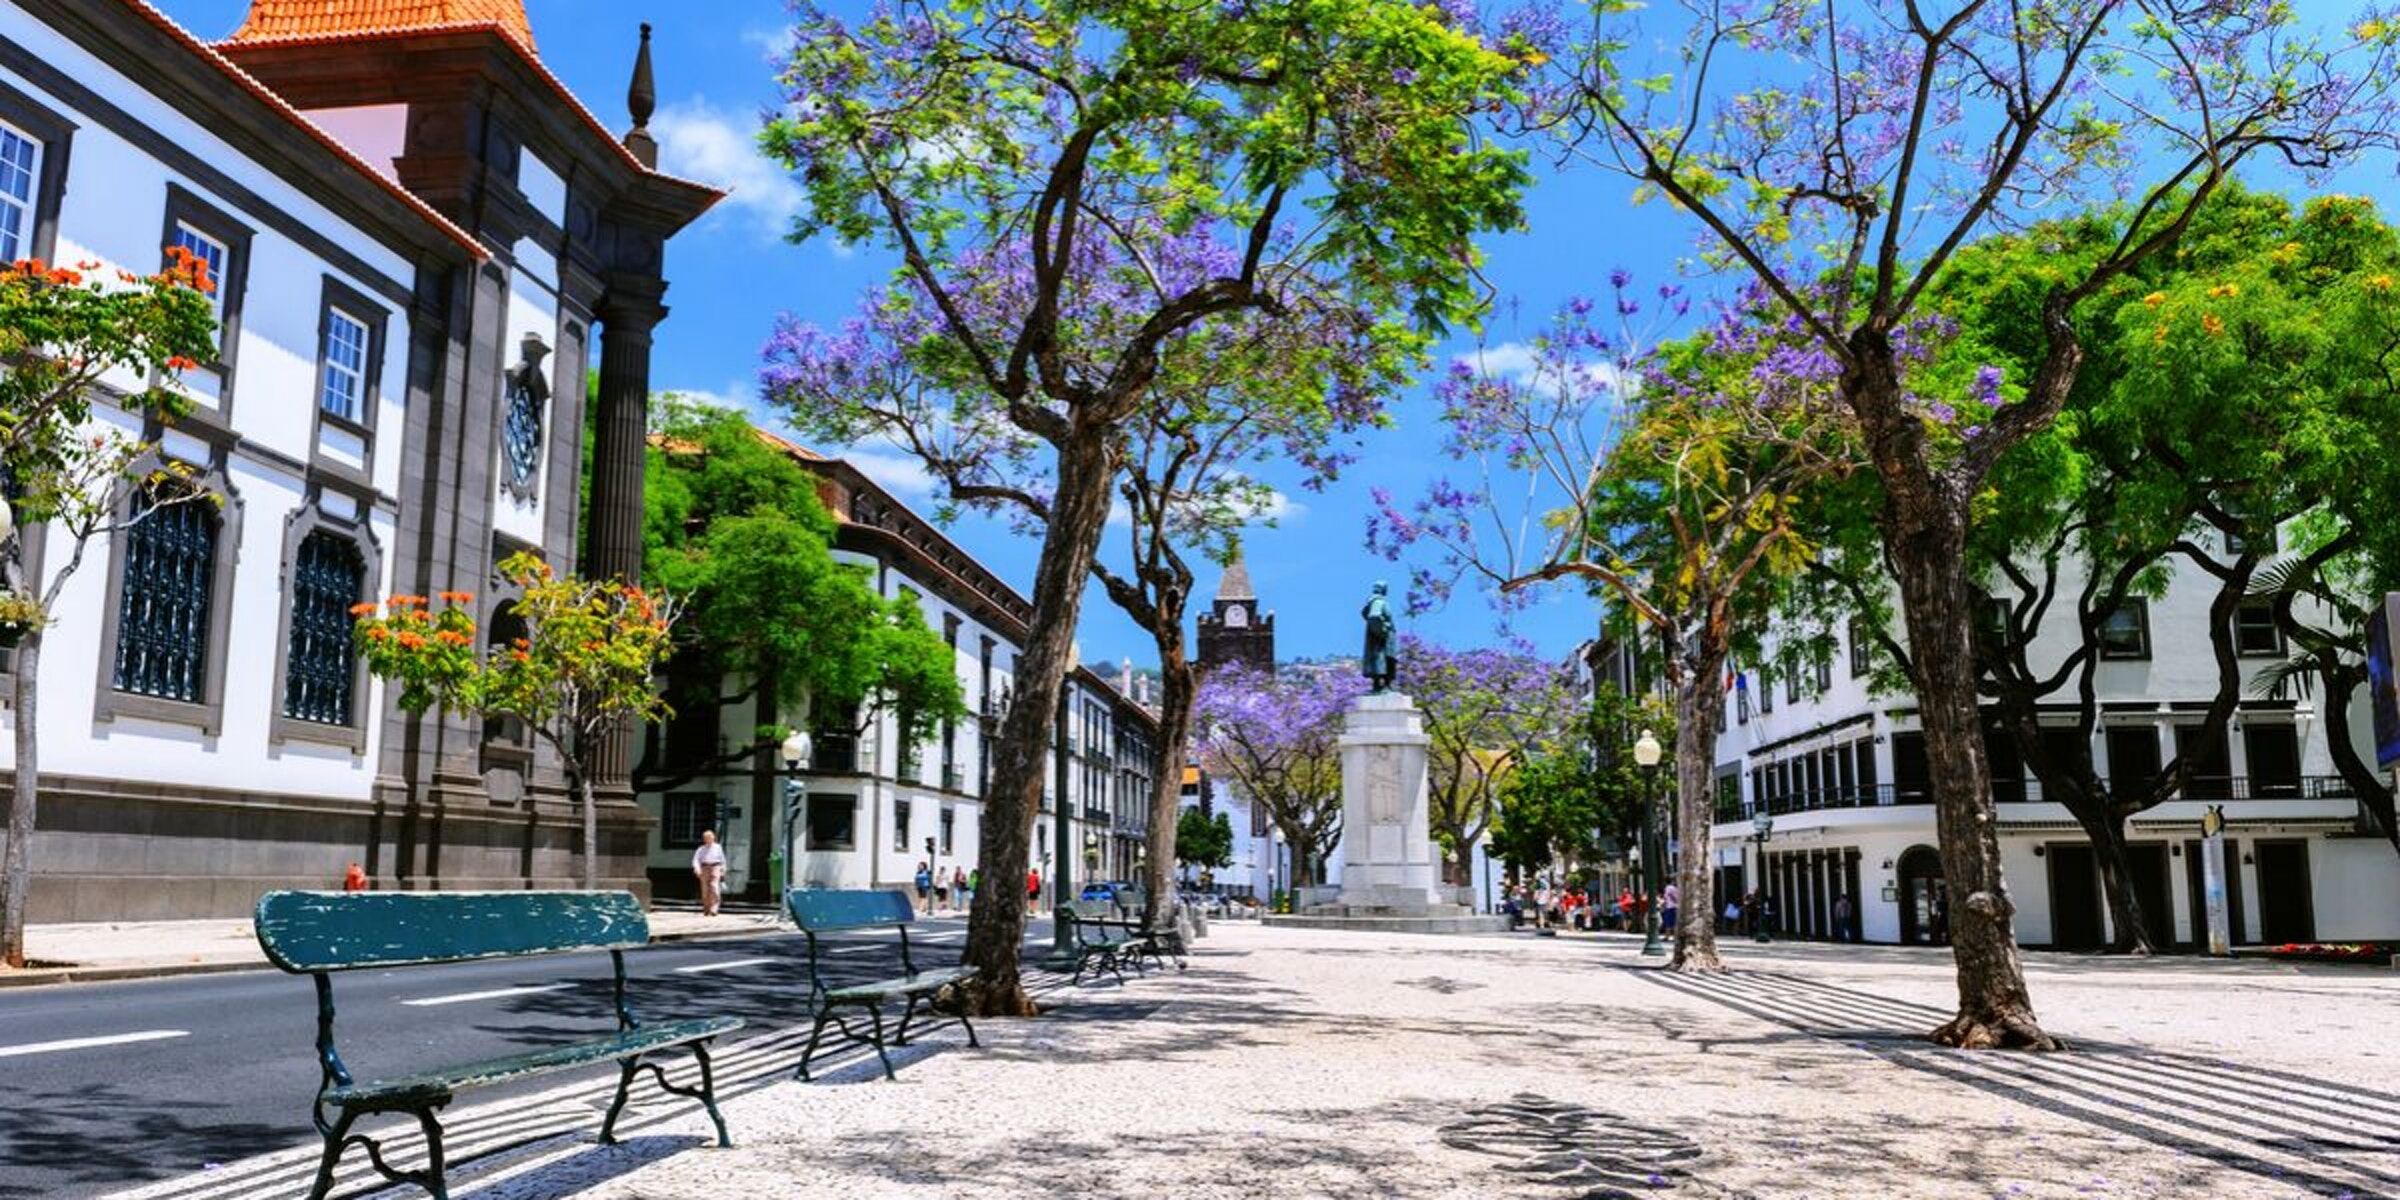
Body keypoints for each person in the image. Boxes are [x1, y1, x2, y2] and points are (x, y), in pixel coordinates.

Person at [692, 830, 727, 917]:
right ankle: (707, 908)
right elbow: (696, 860)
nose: (708, 839)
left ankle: (714, 909)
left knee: (714, 888)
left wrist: (723, 869)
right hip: (704, 868)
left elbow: (722, 859)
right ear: (704, 839)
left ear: (713, 838)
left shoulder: (718, 847)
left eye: (710, 837)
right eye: (706, 838)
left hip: (715, 867)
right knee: (705, 890)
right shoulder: (701, 849)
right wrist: (697, 869)